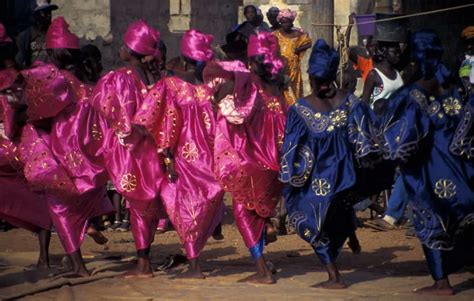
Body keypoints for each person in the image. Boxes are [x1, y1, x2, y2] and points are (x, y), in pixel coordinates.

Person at [280, 39, 392, 289]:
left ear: (319, 77)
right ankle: (348, 236)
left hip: (330, 180)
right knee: (334, 216)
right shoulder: (346, 105)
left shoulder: (310, 108)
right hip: (336, 179)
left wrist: (287, 179)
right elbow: (365, 143)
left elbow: (290, 150)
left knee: (310, 221)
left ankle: (334, 277)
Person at [379, 29, 474, 296]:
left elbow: (402, 141)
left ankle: (441, 282)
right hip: (462, 166)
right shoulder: (456, 86)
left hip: (429, 169)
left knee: (431, 220)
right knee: (461, 217)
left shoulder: (414, 95)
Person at [133, 29, 225, 279]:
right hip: (187, 157)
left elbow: (216, 123)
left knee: (200, 201)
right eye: (199, 62)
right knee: (187, 205)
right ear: (186, 60)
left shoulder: (201, 88)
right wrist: (167, 156)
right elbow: (160, 120)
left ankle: (196, 257)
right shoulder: (176, 86)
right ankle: (194, 260)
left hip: (201, 158)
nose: (202, 66)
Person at [205, 31, 287, 284]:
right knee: (257, 211)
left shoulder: (247, 83)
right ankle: (264, 249)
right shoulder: (277, 87)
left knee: (242, 213)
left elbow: (231, 112)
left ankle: (261, 270)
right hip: (276, 162)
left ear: (251, 62)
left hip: (250, 160)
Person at [92, 19, 165, 278]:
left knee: (137, 206)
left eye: (123, 45)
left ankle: (143, 263)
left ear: (131, 50)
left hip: (131, 151)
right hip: (152, 149)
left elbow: (104, 103)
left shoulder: (120, 77)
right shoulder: (154, 78)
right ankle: (144, 256)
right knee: (147, 205)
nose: (120, 49)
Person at [0, 50, 52, 269]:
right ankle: (44, 258)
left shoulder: (4, 81)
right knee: (40, 199)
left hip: (8, 146)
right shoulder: (24, 78)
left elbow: (10, 122)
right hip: (33, 145)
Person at [273, 8, 312, 105]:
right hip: (280, 67)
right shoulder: (275, 34)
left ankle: (295, 110)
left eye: (287, 22)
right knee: (283, 91)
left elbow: (308, 43)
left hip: (293, 68)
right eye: (283, 23)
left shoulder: (297, 34)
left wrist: (298, 50)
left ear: (291, 22)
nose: (285, 25)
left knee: (293, 91)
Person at [15, 0, 58, 68]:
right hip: (35, 75)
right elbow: (19, 62)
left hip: (55, 74)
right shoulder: (25, 36)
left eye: (49, 12)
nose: (48, 15)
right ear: (36, 15)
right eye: (44, 12)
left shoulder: (56, 33)